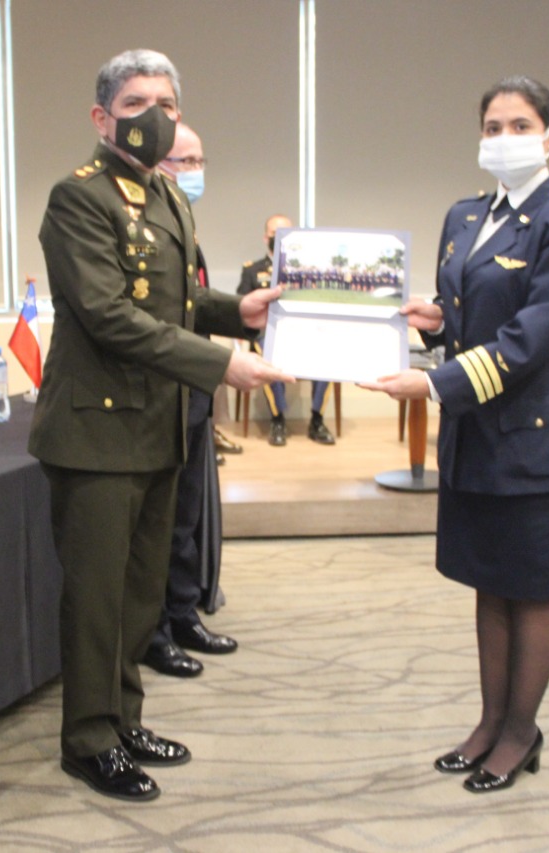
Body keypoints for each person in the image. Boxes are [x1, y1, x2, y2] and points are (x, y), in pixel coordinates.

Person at [30, 48, 288, 803]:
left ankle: (123, 719)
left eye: (168, 103)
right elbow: (109, 315)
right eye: (139, 101)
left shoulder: (165, 195)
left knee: (141, 594)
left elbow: (171, 303)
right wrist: (218, 363)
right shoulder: (79, 198)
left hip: (155, 428)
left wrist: (233, 313)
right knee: (98, 599)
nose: (157, 115)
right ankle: (87, 739)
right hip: (96, 436)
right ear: (102, 116)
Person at [361, 76, 549, 794]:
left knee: (529, 589)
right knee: (488, 584)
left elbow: (529, 340)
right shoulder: (465, 216)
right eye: (492, 125)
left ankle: (522, 732)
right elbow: (475, 315)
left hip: (530, 438)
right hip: (474, 436)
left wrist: (433, 383)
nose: (503, 138)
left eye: (519, 124)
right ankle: (489, 720)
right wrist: (439, 321)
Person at [141, 122, 238, 680]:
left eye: (200, 160)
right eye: (183, 161)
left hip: (193, 397)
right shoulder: (142, 228)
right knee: (156, 527)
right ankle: (152, 632)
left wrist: (247, 311)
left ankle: (182, 614)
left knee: (185, 521)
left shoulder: (185, 227)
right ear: (156, 162)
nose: (194, 173)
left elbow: (194, 304)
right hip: (156, 400)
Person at [237, 216, 335, 446]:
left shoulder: (308, 269)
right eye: (275, 234)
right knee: (268, 352)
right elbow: (240, 304)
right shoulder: (253, 270)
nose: (279, 239)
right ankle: (278, 419)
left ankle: (317, 420)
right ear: (265, 238)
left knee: (327, 355)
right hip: (267, 333)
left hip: (304, 334)